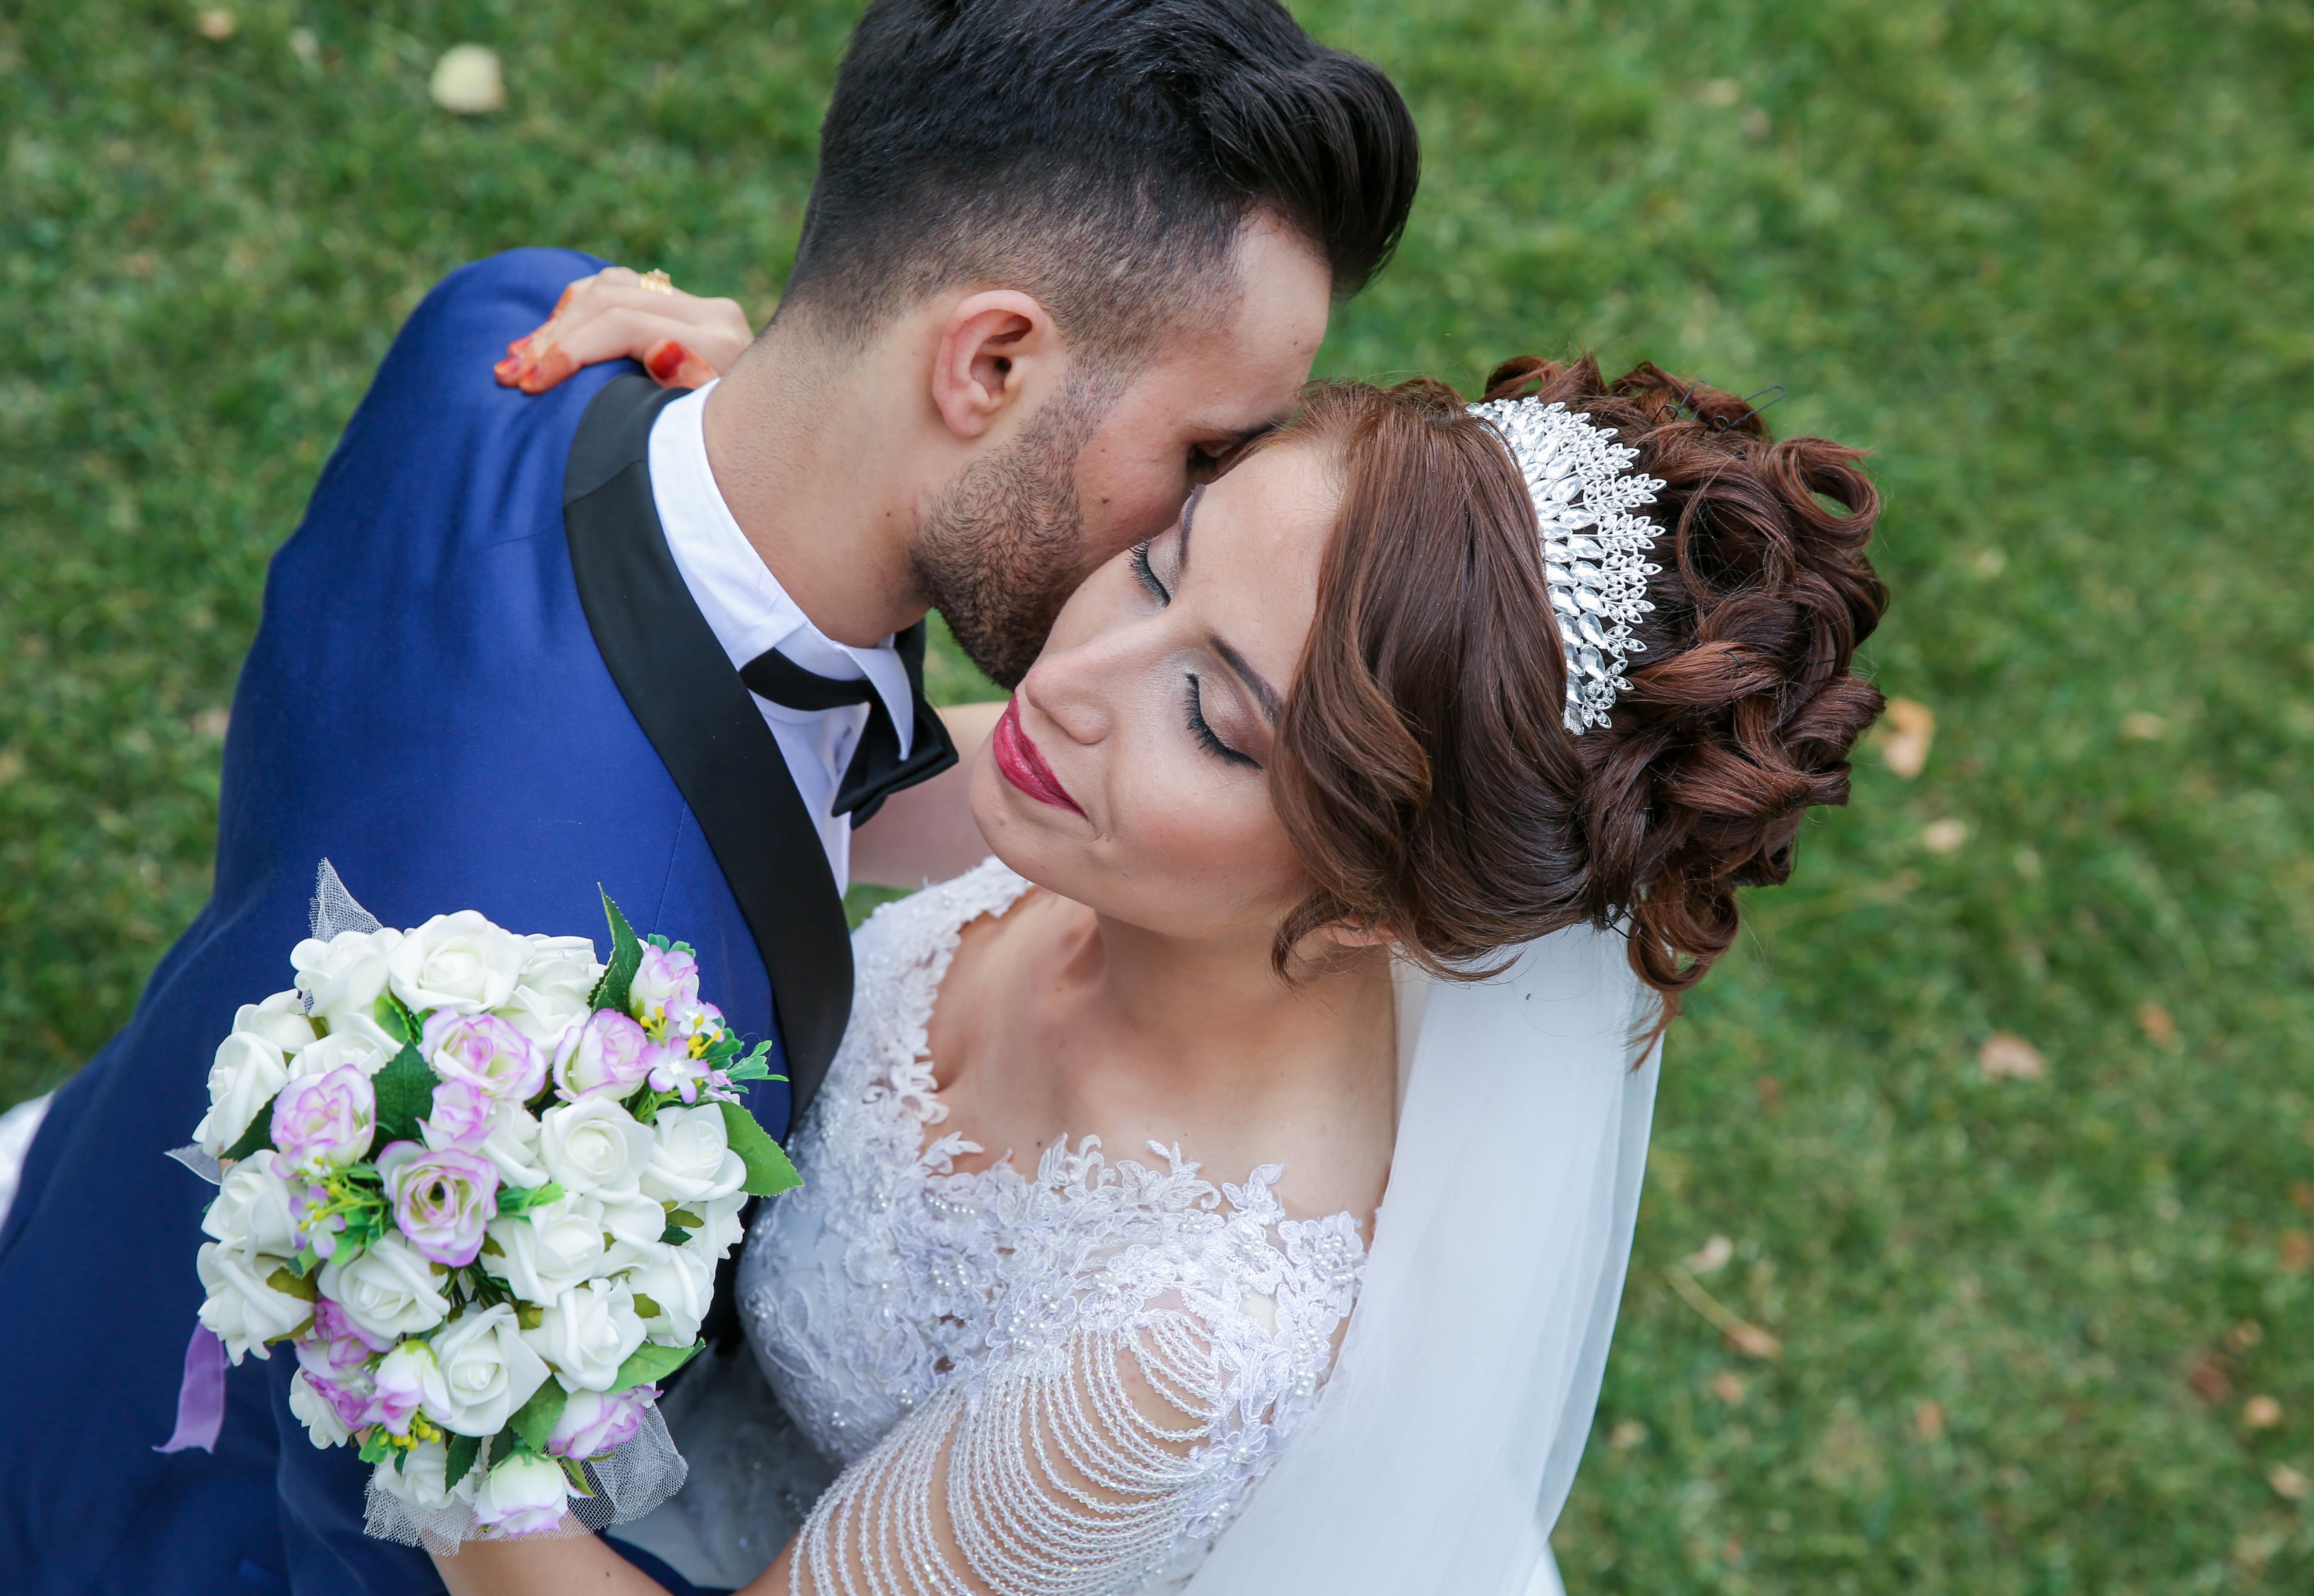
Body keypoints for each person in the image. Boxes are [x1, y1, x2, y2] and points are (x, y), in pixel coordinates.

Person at [0, 2, 1417, 1592]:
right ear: (987, 363)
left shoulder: (517, 331)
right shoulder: (556, 1028)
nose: (1217, 512)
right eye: (1202, 454)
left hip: (75, 1250)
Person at [422, 343, 1886, 1596]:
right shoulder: (1104, 813)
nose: (1063, 683)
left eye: (1216, 718)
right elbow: (786, 739)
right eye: (1154, 568)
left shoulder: (1173, 1356)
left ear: (1386, 903)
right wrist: (738, 410)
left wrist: (425, 1328)